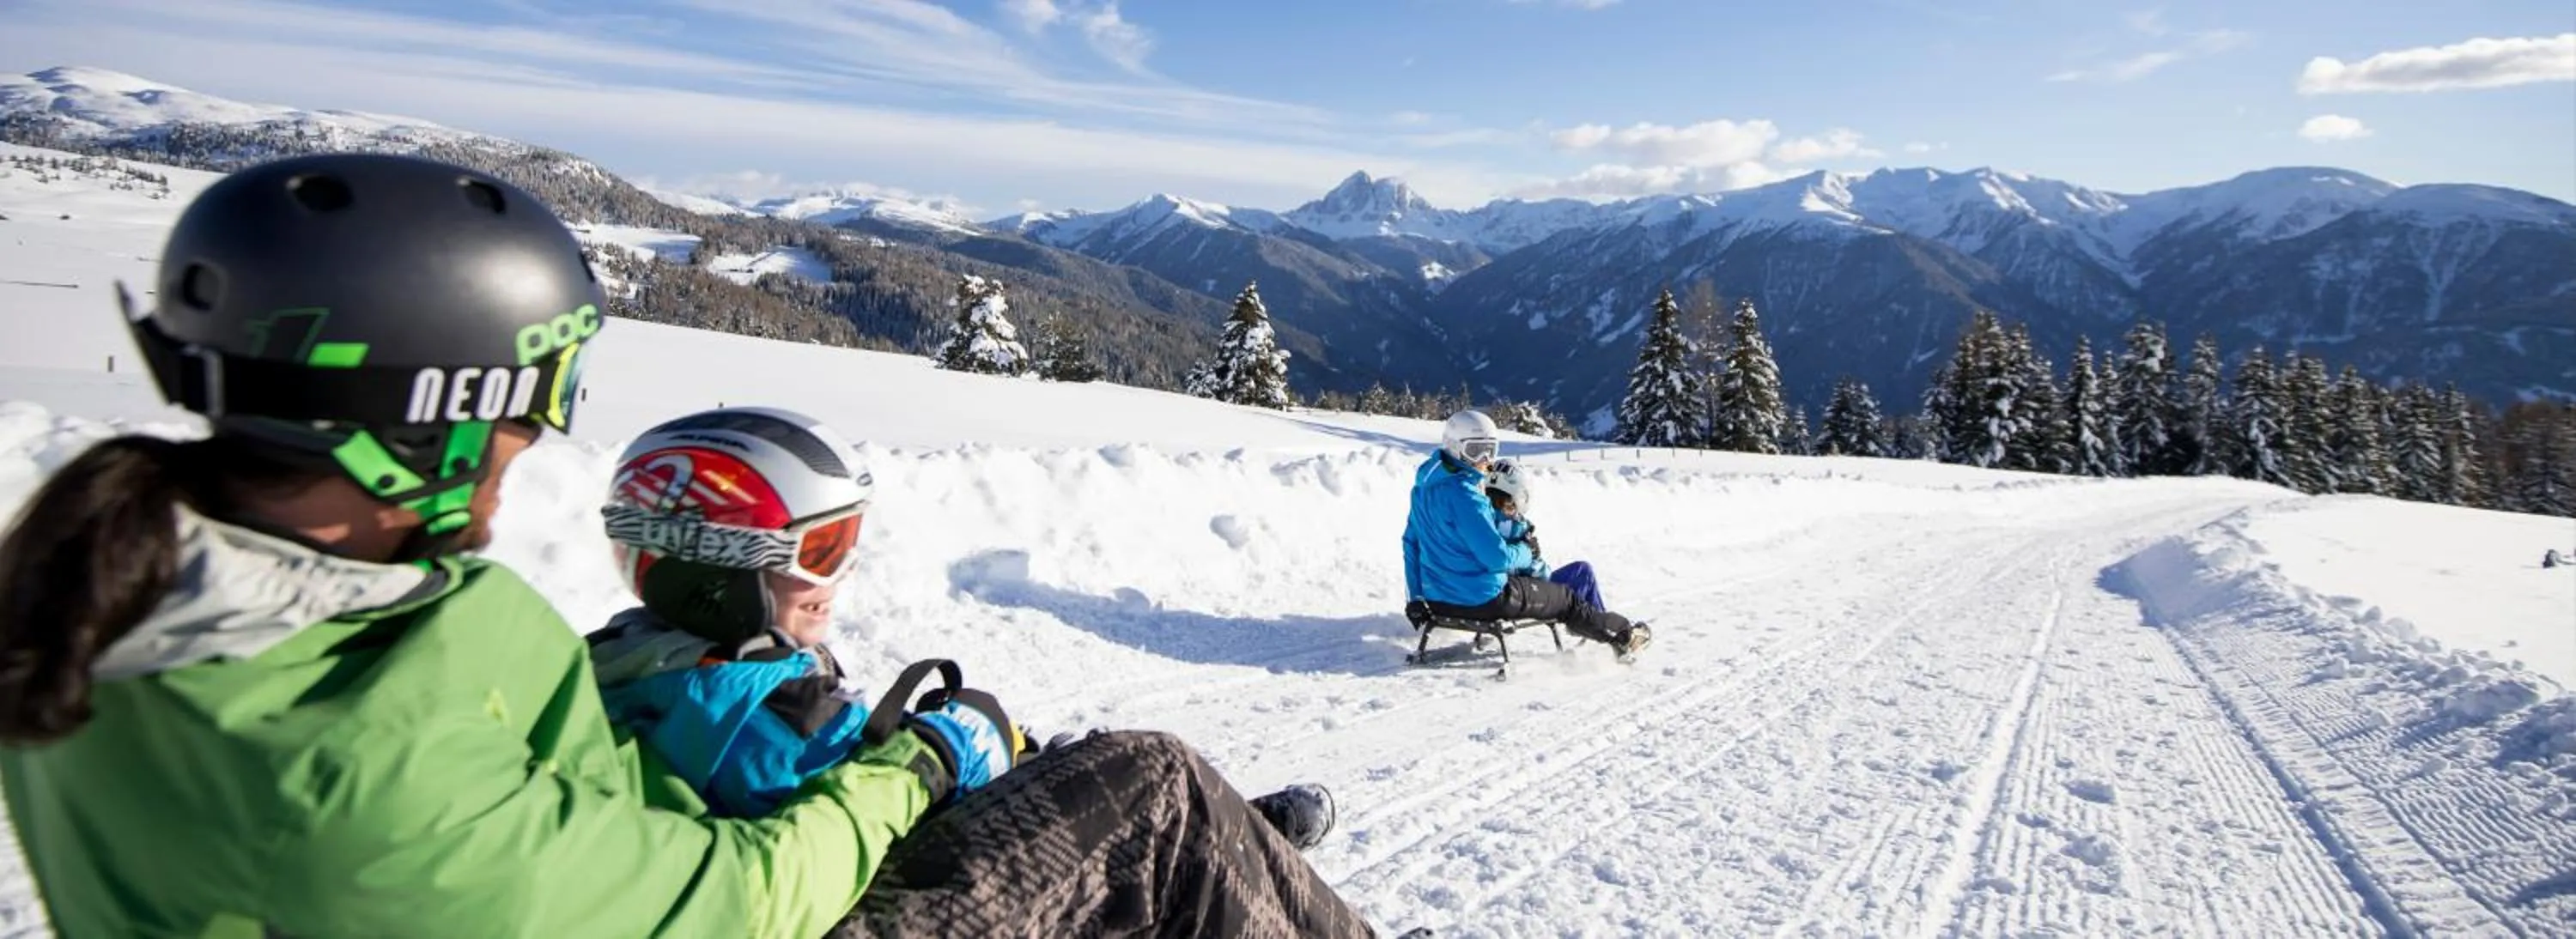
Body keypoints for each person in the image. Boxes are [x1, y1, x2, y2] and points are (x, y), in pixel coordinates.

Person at [0, 153, 1397, 938]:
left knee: (1115, 807)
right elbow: (732, 899)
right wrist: (911, 768)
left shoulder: (118, 604)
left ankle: (1226, 870)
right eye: (528, 396)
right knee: (1147, 786)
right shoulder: (348, 780)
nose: (537, 435)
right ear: (426, 411)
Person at [586, 404, 1346, 869]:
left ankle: (1217, 827)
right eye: (823, 550)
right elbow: (890, 826)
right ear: (721, 564)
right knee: (1124, 778)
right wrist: (963, 749)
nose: (840, 576)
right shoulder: (763, 719)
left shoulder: (638, 667)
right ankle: (1217, 841)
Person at [1401, 409, 1649, 658]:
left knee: (1557, 589)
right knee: (1566, 599)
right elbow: (1497, 559)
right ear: (1454, 447)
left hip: (1439, 600)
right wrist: (1526, 551)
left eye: (1491, 450)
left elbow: (1411, 542)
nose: (1485, 459)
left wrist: (1416, 597)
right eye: (1475, 450)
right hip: (1484, 600)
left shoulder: (1422, 490)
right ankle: (1623, 636)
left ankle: (1607, 631)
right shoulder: (1466, 495)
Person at [1481, 459, 1607, 611]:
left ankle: (1593, 618)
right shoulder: (1511, 526)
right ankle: (1600, 621)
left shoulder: (1478, 519)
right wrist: (1532, 555)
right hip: (1520, 594)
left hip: (1506, 592)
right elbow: (1539, 574)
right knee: (1583, 572)